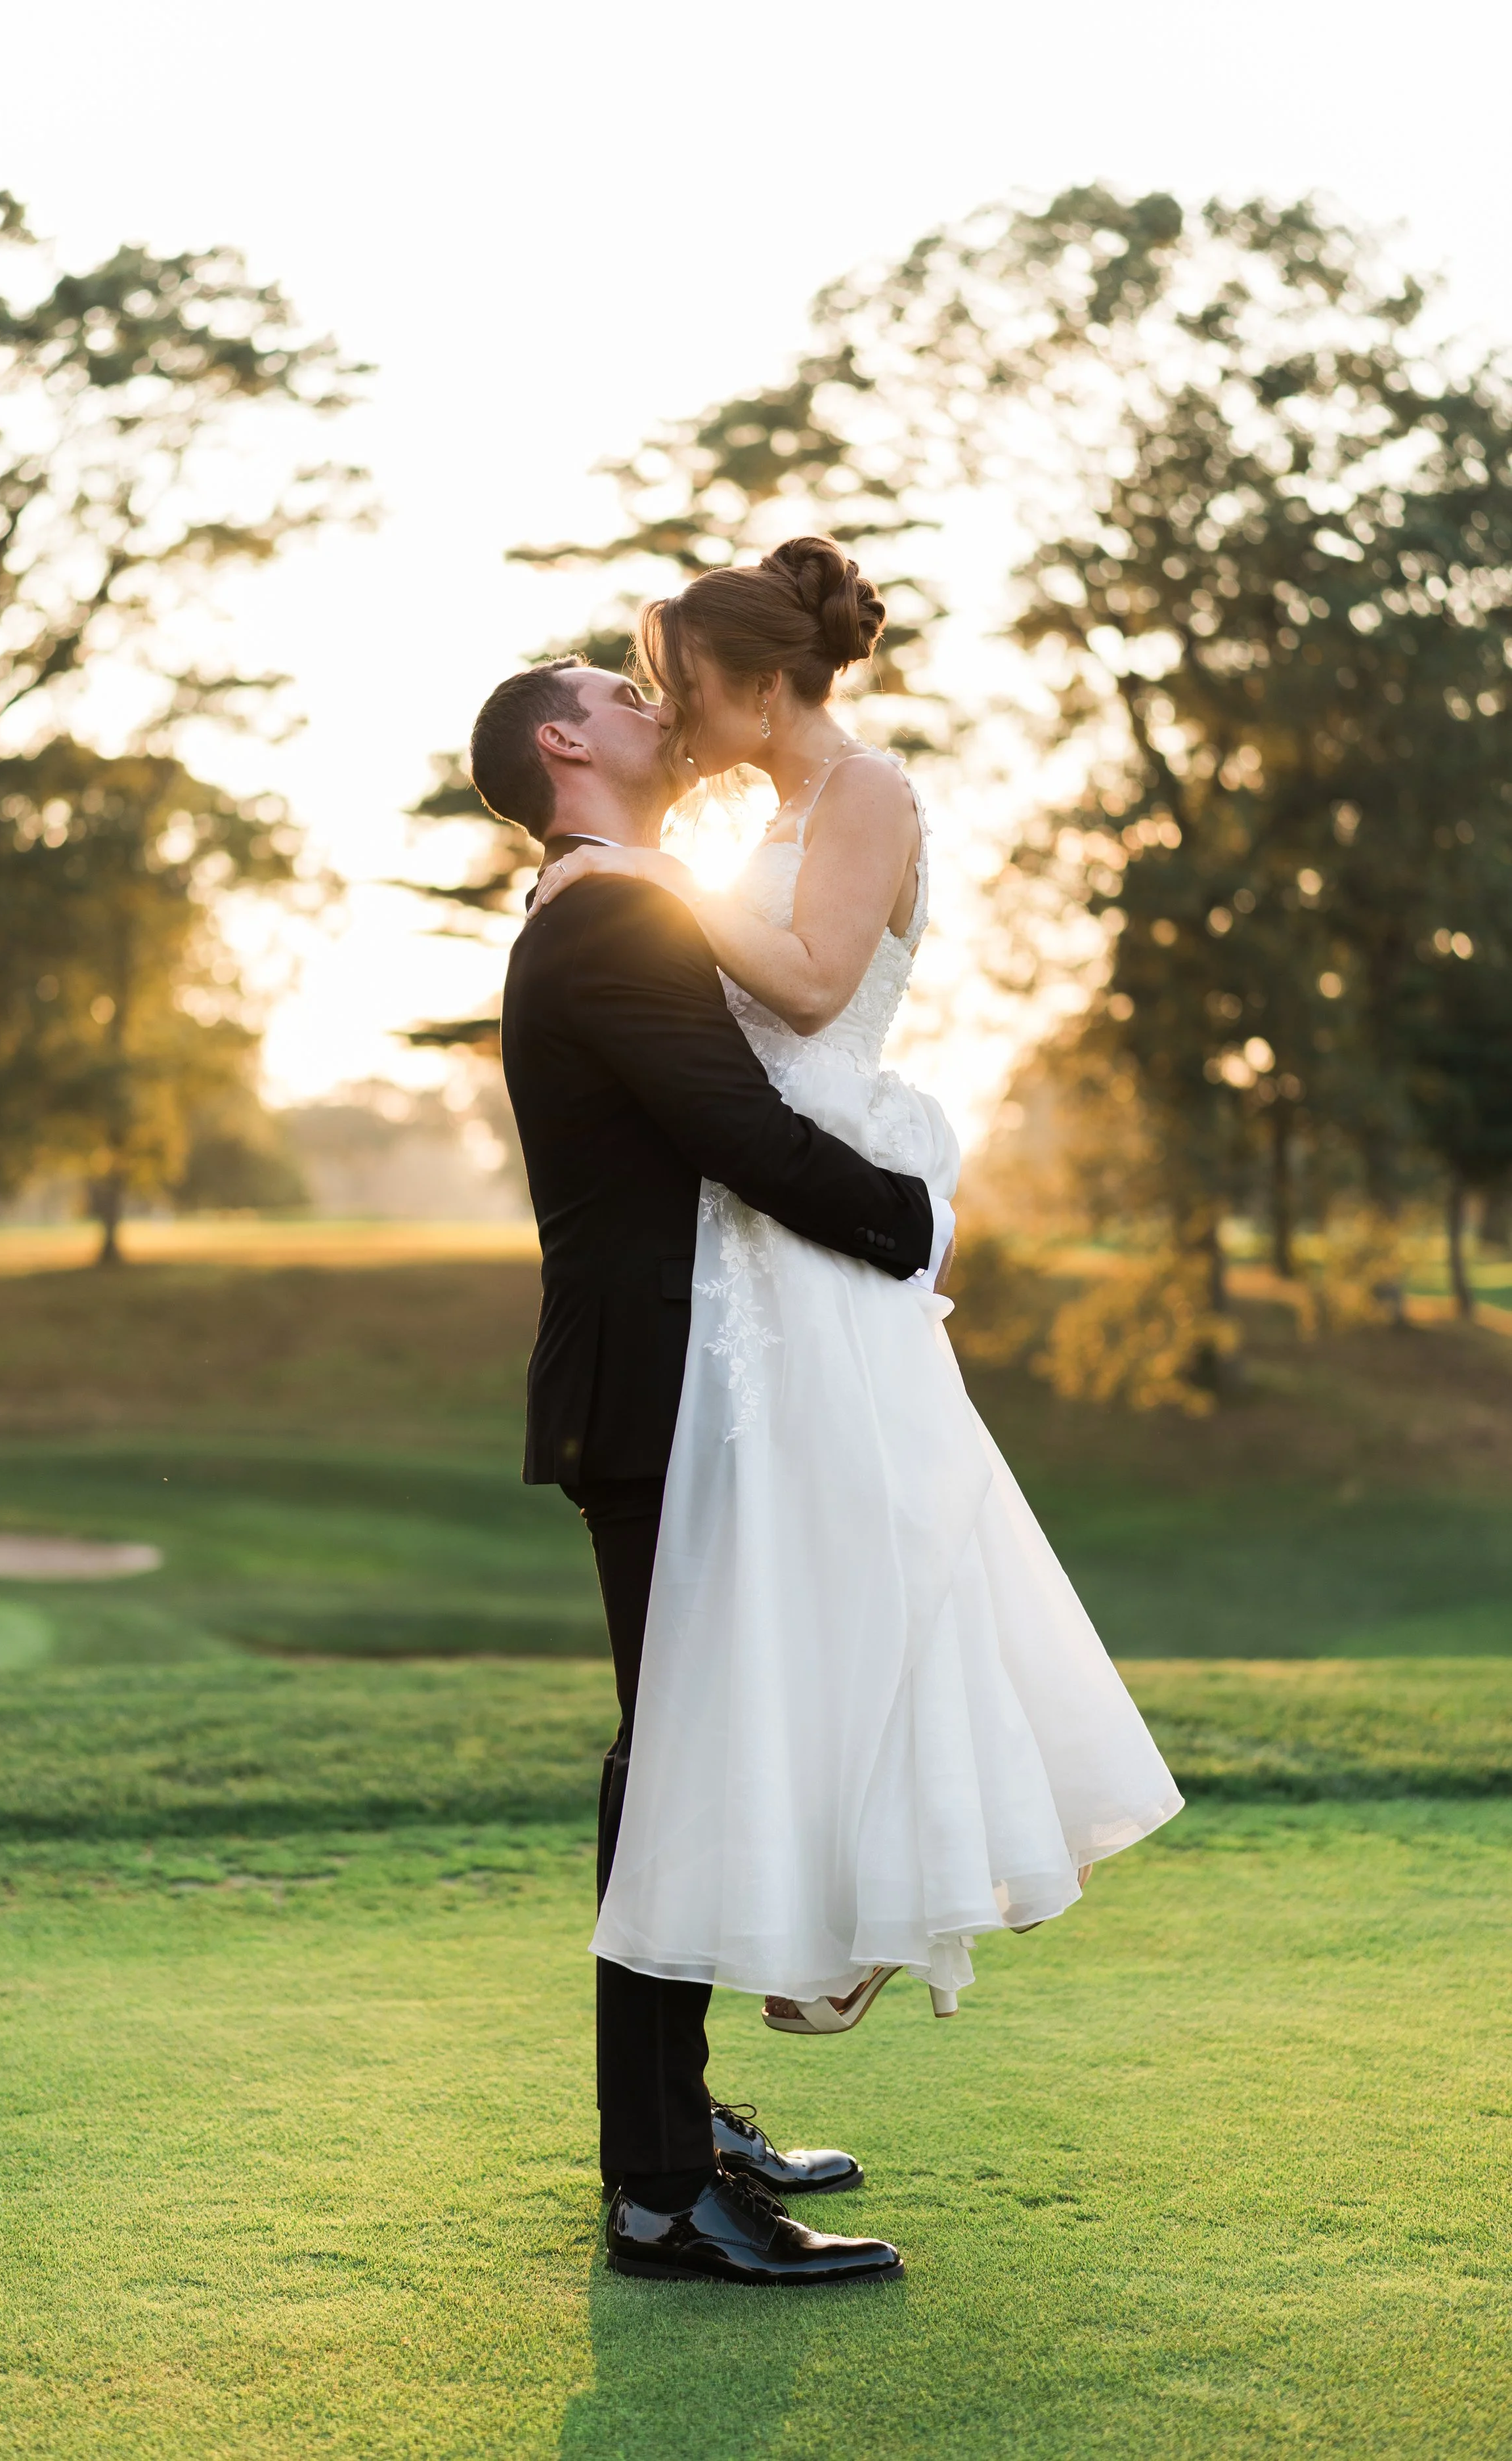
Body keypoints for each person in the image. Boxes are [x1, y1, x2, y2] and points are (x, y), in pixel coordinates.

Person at [529, 536, 1182, 2046]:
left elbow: (816, 985)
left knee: (881, 1559)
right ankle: (818, 1908)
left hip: (810, 1208)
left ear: (763, 682)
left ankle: (875, 1896)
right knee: (790, 1595)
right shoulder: (762, 811)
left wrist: (639, 871)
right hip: (742, 1232)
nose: (672, 718)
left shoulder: (867, 790)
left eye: (685, 690)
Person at [483, 651, 953, 2285]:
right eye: (617, 689)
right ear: (563, 744)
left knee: (675, 1750)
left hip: (668, 1383)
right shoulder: (609, 913)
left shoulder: (609, 898)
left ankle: (678, 2129)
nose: (650, 701)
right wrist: (910, 1218)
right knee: (674, 1763)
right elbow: (729, 1122)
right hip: (654, 1390)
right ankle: (660, 2190)